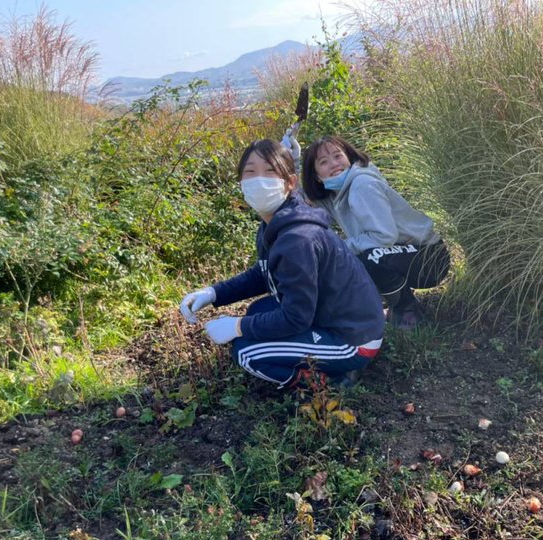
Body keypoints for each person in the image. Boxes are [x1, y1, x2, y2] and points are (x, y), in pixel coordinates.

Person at [179, 139, 385, 388]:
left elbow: (296, 318)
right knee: (257, 311)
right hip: (329, 317)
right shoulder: (277, 221)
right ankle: (323, 363)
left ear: (290, 183)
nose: (259, 180)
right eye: (250, 172)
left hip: (353, 340)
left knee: (246, 352)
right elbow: (262, 273)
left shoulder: (297, 240)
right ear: (241, 183)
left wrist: (237, 326)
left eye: (270, 171)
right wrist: (213, 293)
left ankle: (327, 383)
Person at [300, 136, 451, 330]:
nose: (334, 164)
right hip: (404, 253)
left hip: (431, 259)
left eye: (338, 156)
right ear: (317, 176)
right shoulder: (335, 193)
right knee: (355, 258)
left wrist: (343, 247)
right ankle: (387, 304)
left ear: (349, 157)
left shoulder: (362, 185)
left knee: (367, 259)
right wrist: (291, 162)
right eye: (324, 162)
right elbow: (305, 200)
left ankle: (407, 311)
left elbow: (384, 236)